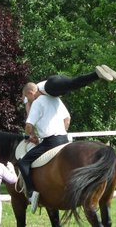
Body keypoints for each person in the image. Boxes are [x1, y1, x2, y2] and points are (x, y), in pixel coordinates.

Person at [18, 83, 71, 214]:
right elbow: (67, 119)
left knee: (23, 162)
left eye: (26, 96)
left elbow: (29, 126)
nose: (27, 100)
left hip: (50, 142)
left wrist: (30, 136)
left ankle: (31, 193)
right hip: (64, 139)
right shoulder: (54, 98)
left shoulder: (37, 102)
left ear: (31, 93)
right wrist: (62, 131)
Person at [23, 64, 116, 114]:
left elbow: (28, 111)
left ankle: (97, 74)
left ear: (28, 93)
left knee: (74, 84)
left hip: (52, 85)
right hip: (57, 80)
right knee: (75, 83)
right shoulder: (32, 91)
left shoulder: (29, 96)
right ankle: (99, 73)